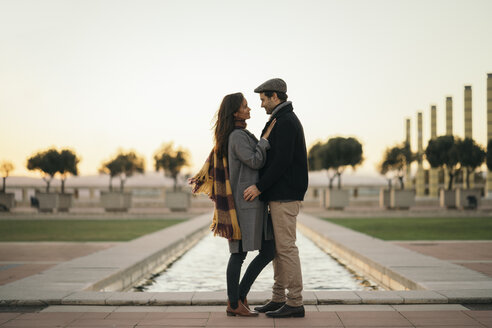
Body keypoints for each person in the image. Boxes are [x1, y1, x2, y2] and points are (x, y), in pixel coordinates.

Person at [189, 92, 277, 317]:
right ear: (235, 112)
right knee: (239, 253)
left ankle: (238, 297)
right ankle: (233, 302)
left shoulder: (239, 134)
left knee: (267, 250)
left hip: (250, 204)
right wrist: (265, 139)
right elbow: (256, 161)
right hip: (243, 205)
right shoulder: (237, 136)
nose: (250, 109)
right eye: (245, 106)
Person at [244, 78, 309, 318]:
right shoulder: (280, 120)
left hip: (285, 195)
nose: (261, 104)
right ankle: (279, 297)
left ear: (275, 96)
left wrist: (259, 187)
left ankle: (295, 302)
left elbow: (281, 162)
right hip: (279, 194)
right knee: (278, 249)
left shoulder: (286, 122)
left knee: (286, 248)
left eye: (263, 99)